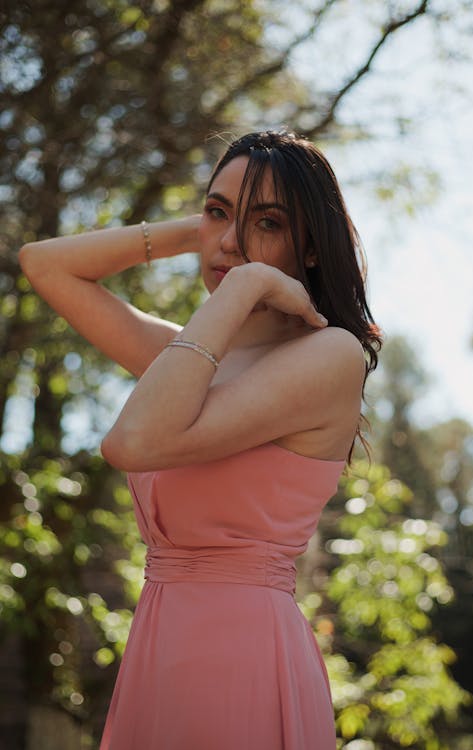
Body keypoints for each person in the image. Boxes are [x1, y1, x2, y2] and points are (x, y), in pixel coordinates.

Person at [19, 130, 383, 749]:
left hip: (243, 651)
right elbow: (43, 263)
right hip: (158, 644)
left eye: (269, 222)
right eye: (217, 212)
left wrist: (242, 282)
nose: (231, 241)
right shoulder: (188, 366)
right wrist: (207, 231)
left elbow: (130, 442)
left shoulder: (331, 354)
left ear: (313, 248)